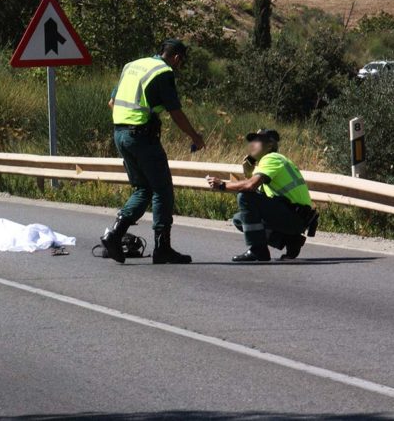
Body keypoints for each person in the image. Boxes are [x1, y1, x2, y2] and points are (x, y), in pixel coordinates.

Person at [101, 39, 206, 264]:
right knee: (162, 190)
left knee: (142, 189)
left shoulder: (133, 66)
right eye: (181, 62)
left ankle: (114, 234)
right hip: (141, 136)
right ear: (176, 57)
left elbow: (112, 102)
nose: (179, 66)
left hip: (120, 133)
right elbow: (175, 112)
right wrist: (195, 136)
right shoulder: (163, 71)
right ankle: (162, 248)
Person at [206, 129, 315, 262]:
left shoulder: (272, 158)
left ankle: (258, 250)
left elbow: (250, 187)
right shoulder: (268, 164)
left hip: (293, 216)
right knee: (239, 219)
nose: (252, 144)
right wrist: (249, 172)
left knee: (244, 197)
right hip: (294, 217)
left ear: (270, 145)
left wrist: (222, 185)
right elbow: (257, 192)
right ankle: (290, 240)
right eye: (251, 141)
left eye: (257, 141)